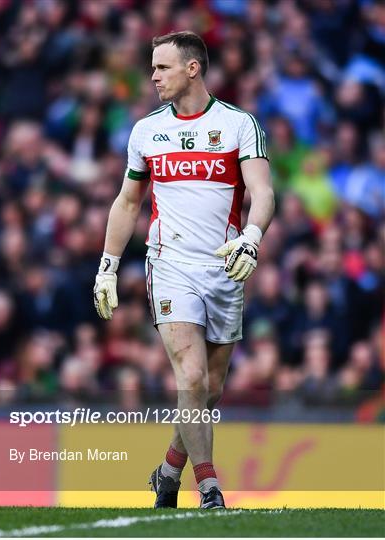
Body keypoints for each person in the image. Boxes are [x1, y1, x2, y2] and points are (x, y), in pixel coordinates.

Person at [93, 31, 274, 509]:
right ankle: (209, 488)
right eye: (153, 67)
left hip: (225, 268)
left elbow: (263, 192)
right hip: (169, 264)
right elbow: (128, 200)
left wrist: (252, 239)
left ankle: (168, 471)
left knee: (209, 391)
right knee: (190, 380)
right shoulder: (146, 131)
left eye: (163, 67)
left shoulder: (239, 124)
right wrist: (108, 266)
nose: (153, 76)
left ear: (193, 68)